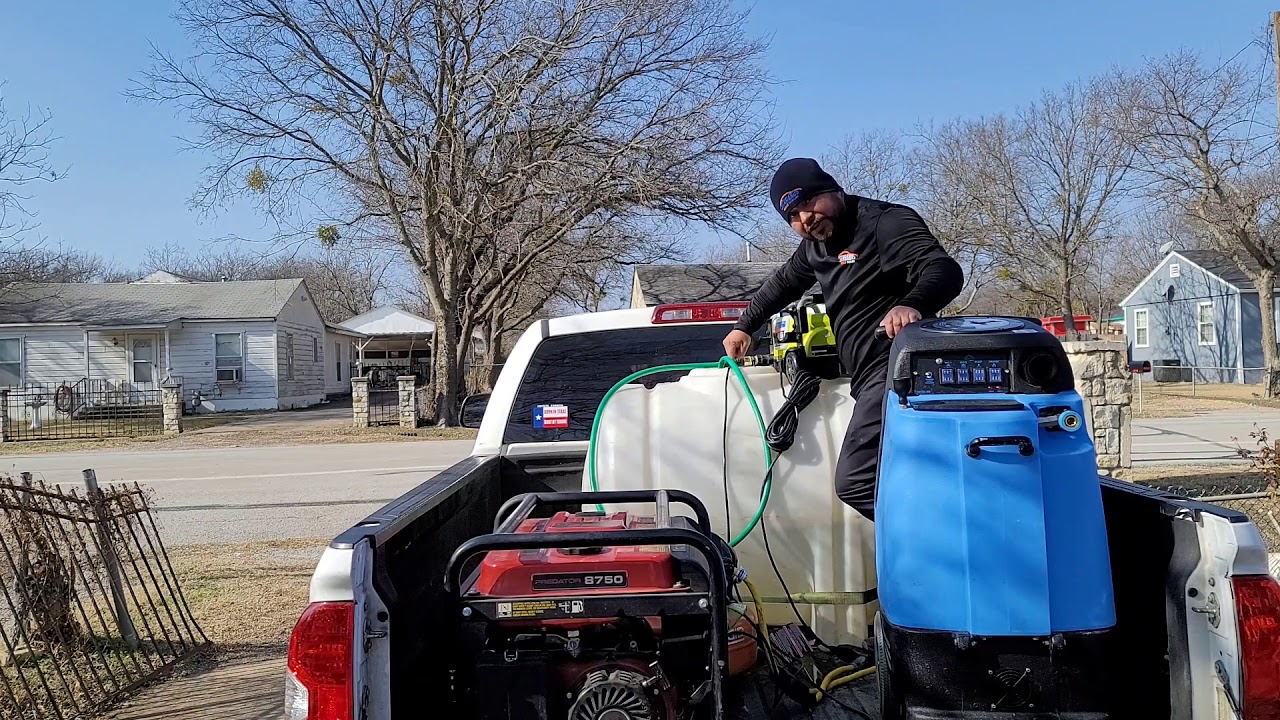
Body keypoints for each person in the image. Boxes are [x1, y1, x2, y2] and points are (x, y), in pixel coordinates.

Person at [722, 158, 964, 521]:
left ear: (831, 189)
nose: (805, 220)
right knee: (899, 475)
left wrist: (911, 304)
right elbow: (782, 284)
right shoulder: (815, 249)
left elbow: (943, 269)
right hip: (866, 377)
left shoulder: (885, 222)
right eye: (793, 217)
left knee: (855, 480)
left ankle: (939, 538)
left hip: (897, 370)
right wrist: (745, 325)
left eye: (807, 204)